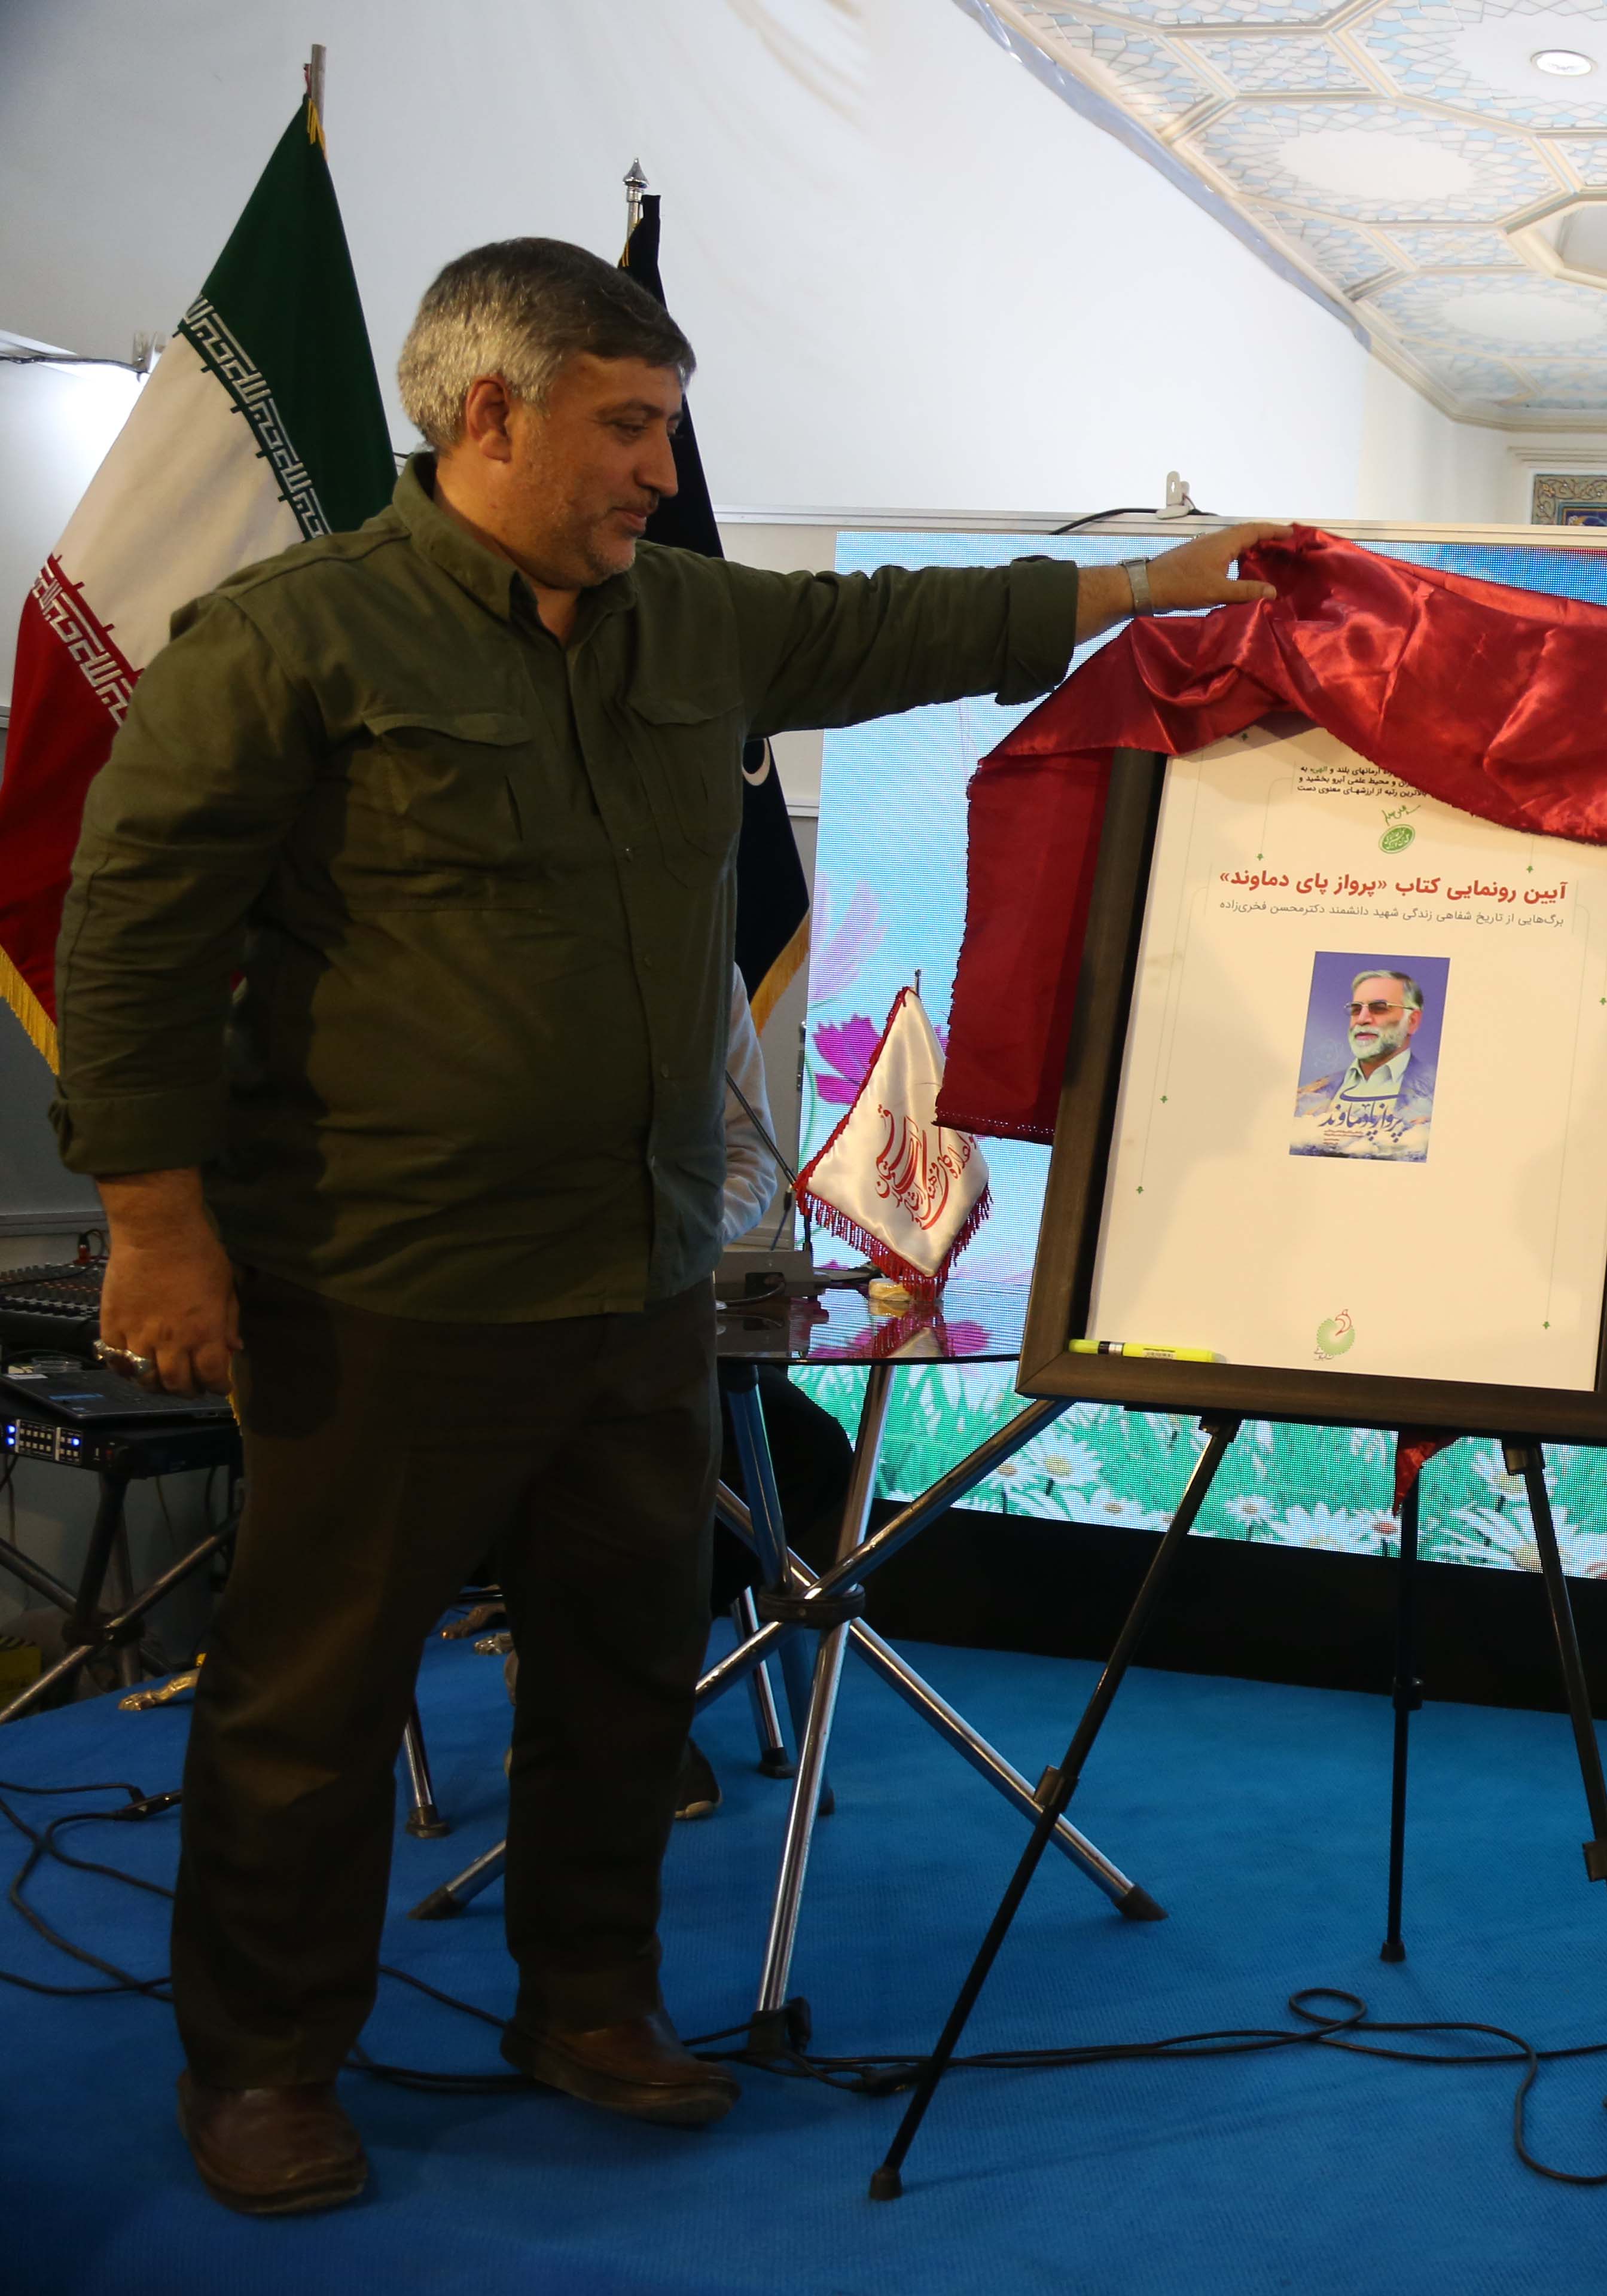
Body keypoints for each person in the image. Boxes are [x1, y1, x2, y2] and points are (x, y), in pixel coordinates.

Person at [51, 234, 1284, 2216]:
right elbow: (128, 947)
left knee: (626, 1668)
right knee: (313, 1702)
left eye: (666, 426)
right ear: (492, 414)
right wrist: (157, 1224)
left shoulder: (683, 621)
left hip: (634, 1284)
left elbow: (900, 625)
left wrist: (1139, 584)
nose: (655, 467)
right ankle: (265, 2065)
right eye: (628, 427)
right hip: (381, 1287)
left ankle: (590, 2000)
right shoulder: (292, 643)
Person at [1290, 966, 1438, 1159]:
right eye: (1356, 1009)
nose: (1362, 1019)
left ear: (1412, 1021)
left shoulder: (1437, 1091)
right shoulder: (1311, 1094)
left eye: (1379, 1008)